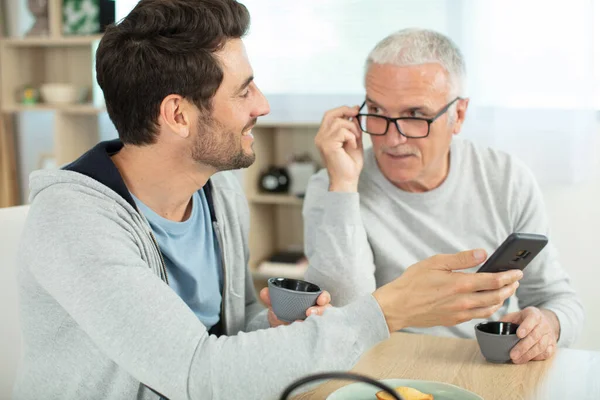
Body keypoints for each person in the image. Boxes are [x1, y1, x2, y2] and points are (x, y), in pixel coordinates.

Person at [14, 3, 523, 399]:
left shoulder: (216, 190)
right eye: (244, 90)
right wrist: (385, 310)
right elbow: (198, 375)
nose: (263, 105)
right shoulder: (75, 221)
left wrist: (277, 324)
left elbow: (229, 331)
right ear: (177, 114)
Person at [303, 28, 584, 365]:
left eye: (415, 116)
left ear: (459, 116)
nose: (393, 139)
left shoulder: (505, 179)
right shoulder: (332, 185)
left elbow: (557, 300)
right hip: (373, 367)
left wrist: (547, 325)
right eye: (377, 112)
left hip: (478, 365)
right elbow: (340, 319)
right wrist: (344, 187)